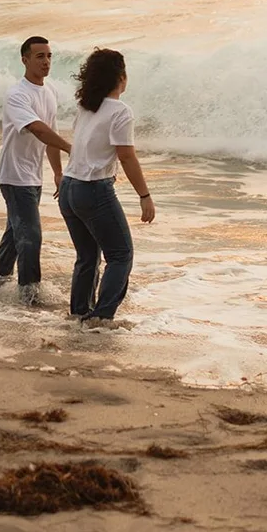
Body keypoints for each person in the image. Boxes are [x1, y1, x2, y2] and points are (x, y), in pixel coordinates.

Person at [58, 47, 155, 324]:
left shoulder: (87, 107)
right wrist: (144, 195)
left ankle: (79, 314)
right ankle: (101, 318)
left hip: (69, 187)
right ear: (121, 77)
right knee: (121, 255)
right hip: (92, 189)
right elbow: (126, 155)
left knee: (87, 256)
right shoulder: (120, 111)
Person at [0, 35, 72, 306]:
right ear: (25, 60)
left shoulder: (49, 93)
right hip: (14, 175)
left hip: (32, 176)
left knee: (16, 235)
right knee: (30, 236)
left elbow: (50, 135)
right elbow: (37, 128)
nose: (46, 62)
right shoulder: (17, 94)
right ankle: (29, 297)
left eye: (49, 56)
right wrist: (74, 149)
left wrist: (58, 173)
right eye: (40, 56)